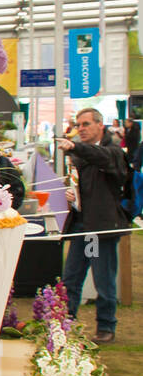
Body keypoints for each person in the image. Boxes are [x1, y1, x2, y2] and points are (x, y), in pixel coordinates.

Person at [57, 107, 132, 344]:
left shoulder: (113, 152)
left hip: (100, 228)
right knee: (71, 278)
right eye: (79, 125)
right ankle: (65, 324)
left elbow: (100, 157)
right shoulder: (81, 156)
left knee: (103, 280)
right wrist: (73, 195)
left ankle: (106, 327)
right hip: (82, 225)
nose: (81, 129)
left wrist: (75, 146)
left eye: (86, 124)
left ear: (101, 125)